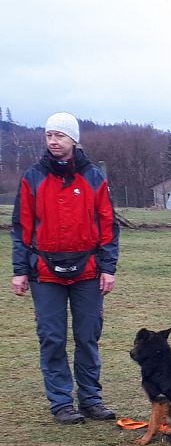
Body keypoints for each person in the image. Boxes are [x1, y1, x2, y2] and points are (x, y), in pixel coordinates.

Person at [11, 112, 120, 424]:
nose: (53, 141)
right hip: (44, 272)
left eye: (59, 135)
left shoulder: (94, 178)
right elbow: (22, 227)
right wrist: (20, 270)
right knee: (52, 337)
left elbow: (108, 225)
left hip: (88, 270)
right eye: (49, 136)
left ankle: (90, 399)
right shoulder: (32, 177)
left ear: (74, 139)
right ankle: (61, 402)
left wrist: (108, 267)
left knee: (88, 337)